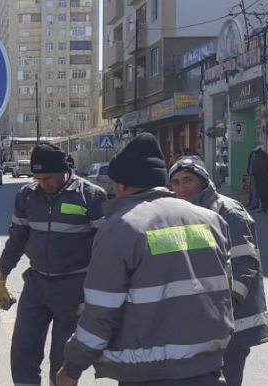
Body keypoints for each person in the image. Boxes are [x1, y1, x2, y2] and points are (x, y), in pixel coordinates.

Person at [57, 133, 234, 386]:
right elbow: (225, 292)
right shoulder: (212, 221)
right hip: (208, 369)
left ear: (121, 185)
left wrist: (72, 368)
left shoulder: (121, 228)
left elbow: (100, 313)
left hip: (148, 373)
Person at [0, 143, 107, 386]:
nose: (43, 183)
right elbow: (16, 240)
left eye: (48, 178)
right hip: (36, 285)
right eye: (37, 177)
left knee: (63, 357)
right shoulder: (27, 196)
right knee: (23, 348)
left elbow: (106, 249)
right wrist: (1, 278)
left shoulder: (92, 196)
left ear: (64, 170)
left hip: (74, 288)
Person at [169, 156, 268, 386]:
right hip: (200, 320)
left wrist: (228, 306)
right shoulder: (180, 213)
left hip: (231, 323)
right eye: (175, 182)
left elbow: (245, 263)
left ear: (203, 180)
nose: (182, 187)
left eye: (187, 180)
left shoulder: (228, 211)